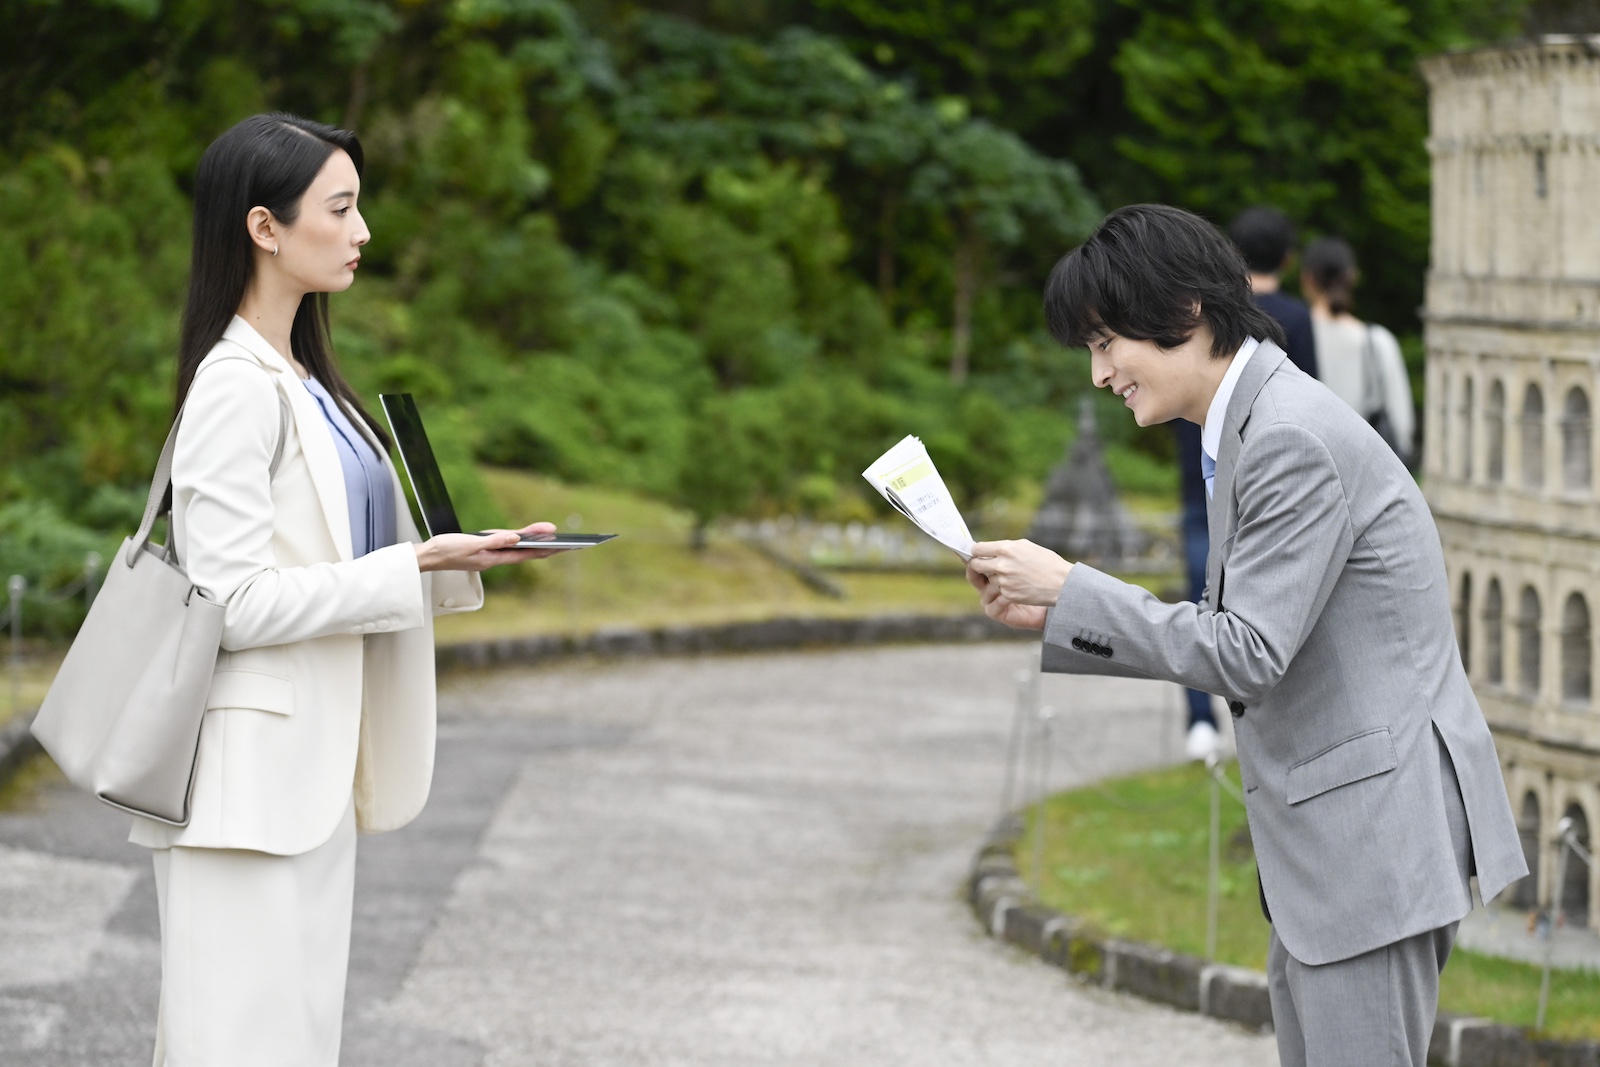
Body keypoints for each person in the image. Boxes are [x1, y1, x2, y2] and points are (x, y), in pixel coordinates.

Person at [967, 204, 1525, 1067]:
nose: (1099, 372)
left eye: (1107, 341)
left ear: (1185, 313)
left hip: (1368, 848)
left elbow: (1246, 650)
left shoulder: (1288, 435)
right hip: (1337, 851)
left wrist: (1073, 589)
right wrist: (1059, 609)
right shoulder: (1250, 422)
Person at [129, 113, 562, 1067]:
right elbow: (232, 603)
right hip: (246, 793)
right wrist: (411, 565)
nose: (363, 231)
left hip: (310, 781)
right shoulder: (234, 386)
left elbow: (348, 552)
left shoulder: (311, 382)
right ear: (264, 227)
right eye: (342, 207)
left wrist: (455, 557)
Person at [1172, 206, 1319, 760]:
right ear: (1288, 256)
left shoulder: (1204, 312)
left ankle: (1199, 720)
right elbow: (1305, 395)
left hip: (1200, 470)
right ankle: (1261, 716)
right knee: (1269, 593)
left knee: (1201, 590)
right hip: (1266, 473)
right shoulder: (1296, 318)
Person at [1301, 236, 1416, 466]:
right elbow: (1402, 424)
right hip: (1362, 473)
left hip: (1306, 467)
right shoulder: (1377, 342)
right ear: (1352, 277)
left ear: (1308, 280)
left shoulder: (1293, 335)